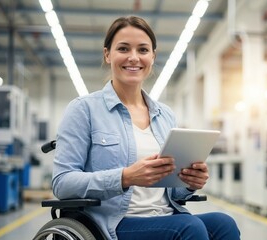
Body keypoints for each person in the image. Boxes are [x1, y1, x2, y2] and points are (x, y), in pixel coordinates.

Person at [52, 16, 240, 240]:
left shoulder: (165, 115)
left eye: (142, 50)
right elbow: (62, 183)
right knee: (189, 227)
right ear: (107, 54)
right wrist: (125, 177)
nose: (133, 58)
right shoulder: (84, 110)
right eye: (123, 48)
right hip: (114, 224)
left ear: (152, 56)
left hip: (168, 216)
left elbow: (172, 193)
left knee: (224, 223)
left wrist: (190, 183)